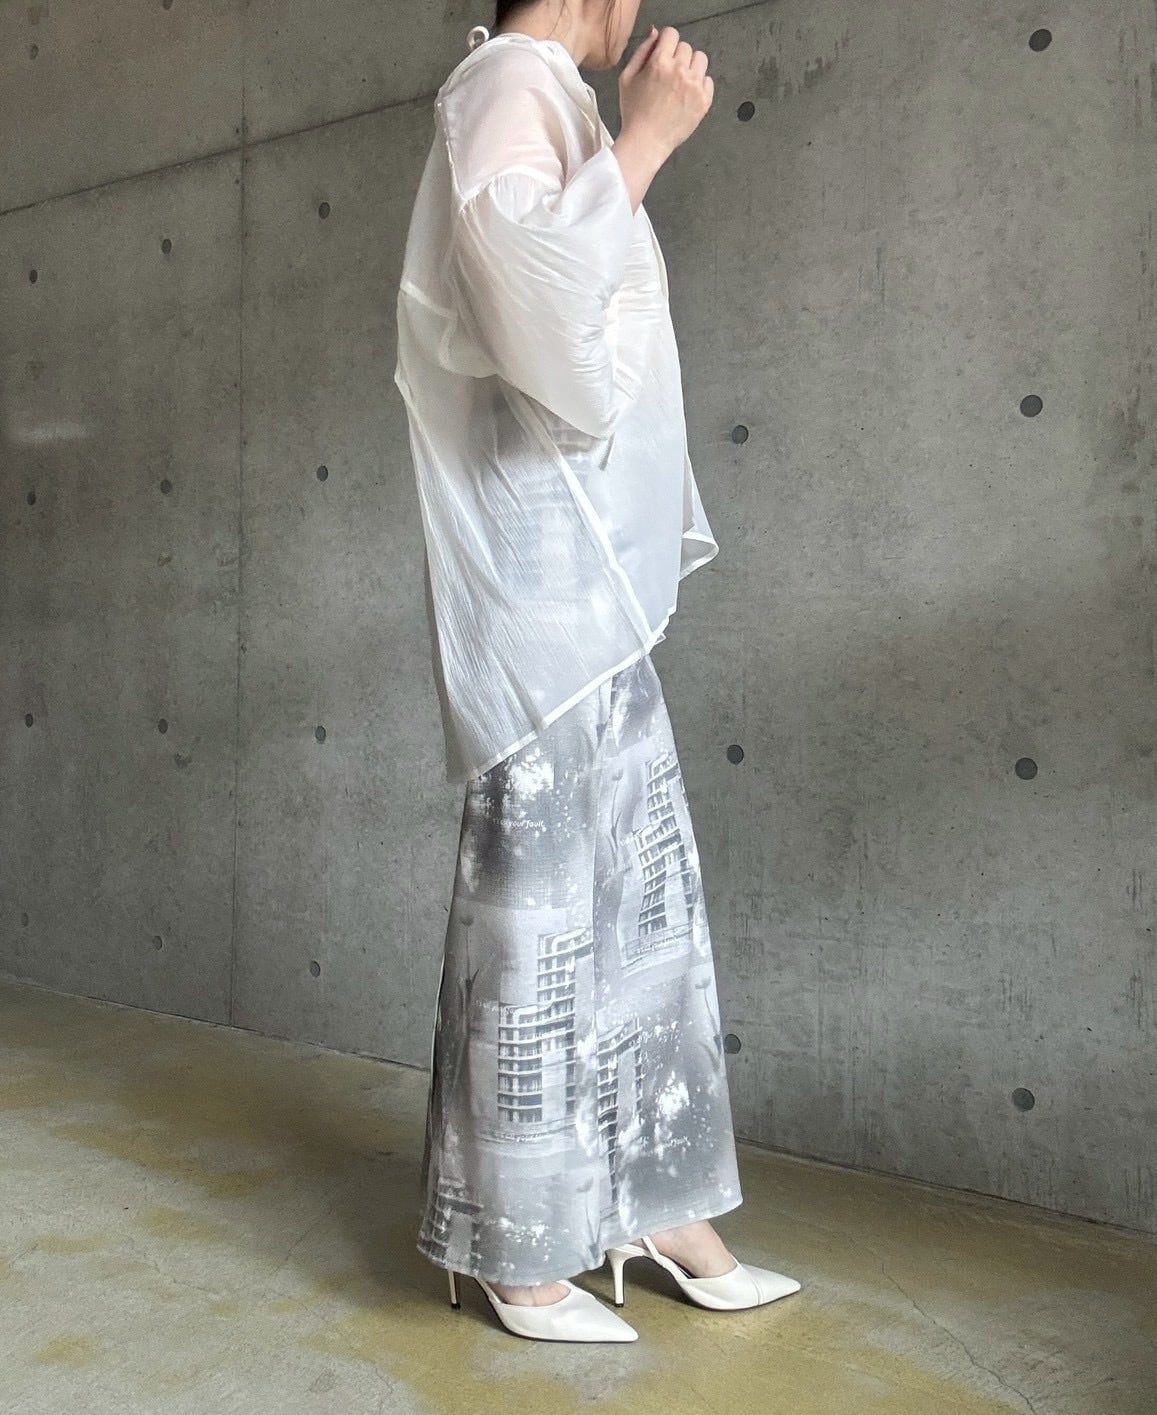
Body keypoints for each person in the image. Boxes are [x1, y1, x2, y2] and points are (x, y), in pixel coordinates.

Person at [393, 0, 801, 1341]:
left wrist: (629, 144)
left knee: (633, 894)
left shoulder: (537, 92)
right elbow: (539, 323)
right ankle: (513, 1246)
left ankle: (651, 1199)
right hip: (542, 584)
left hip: (580, 579)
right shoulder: (504, 84)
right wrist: (647, 143)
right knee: (539, 907)